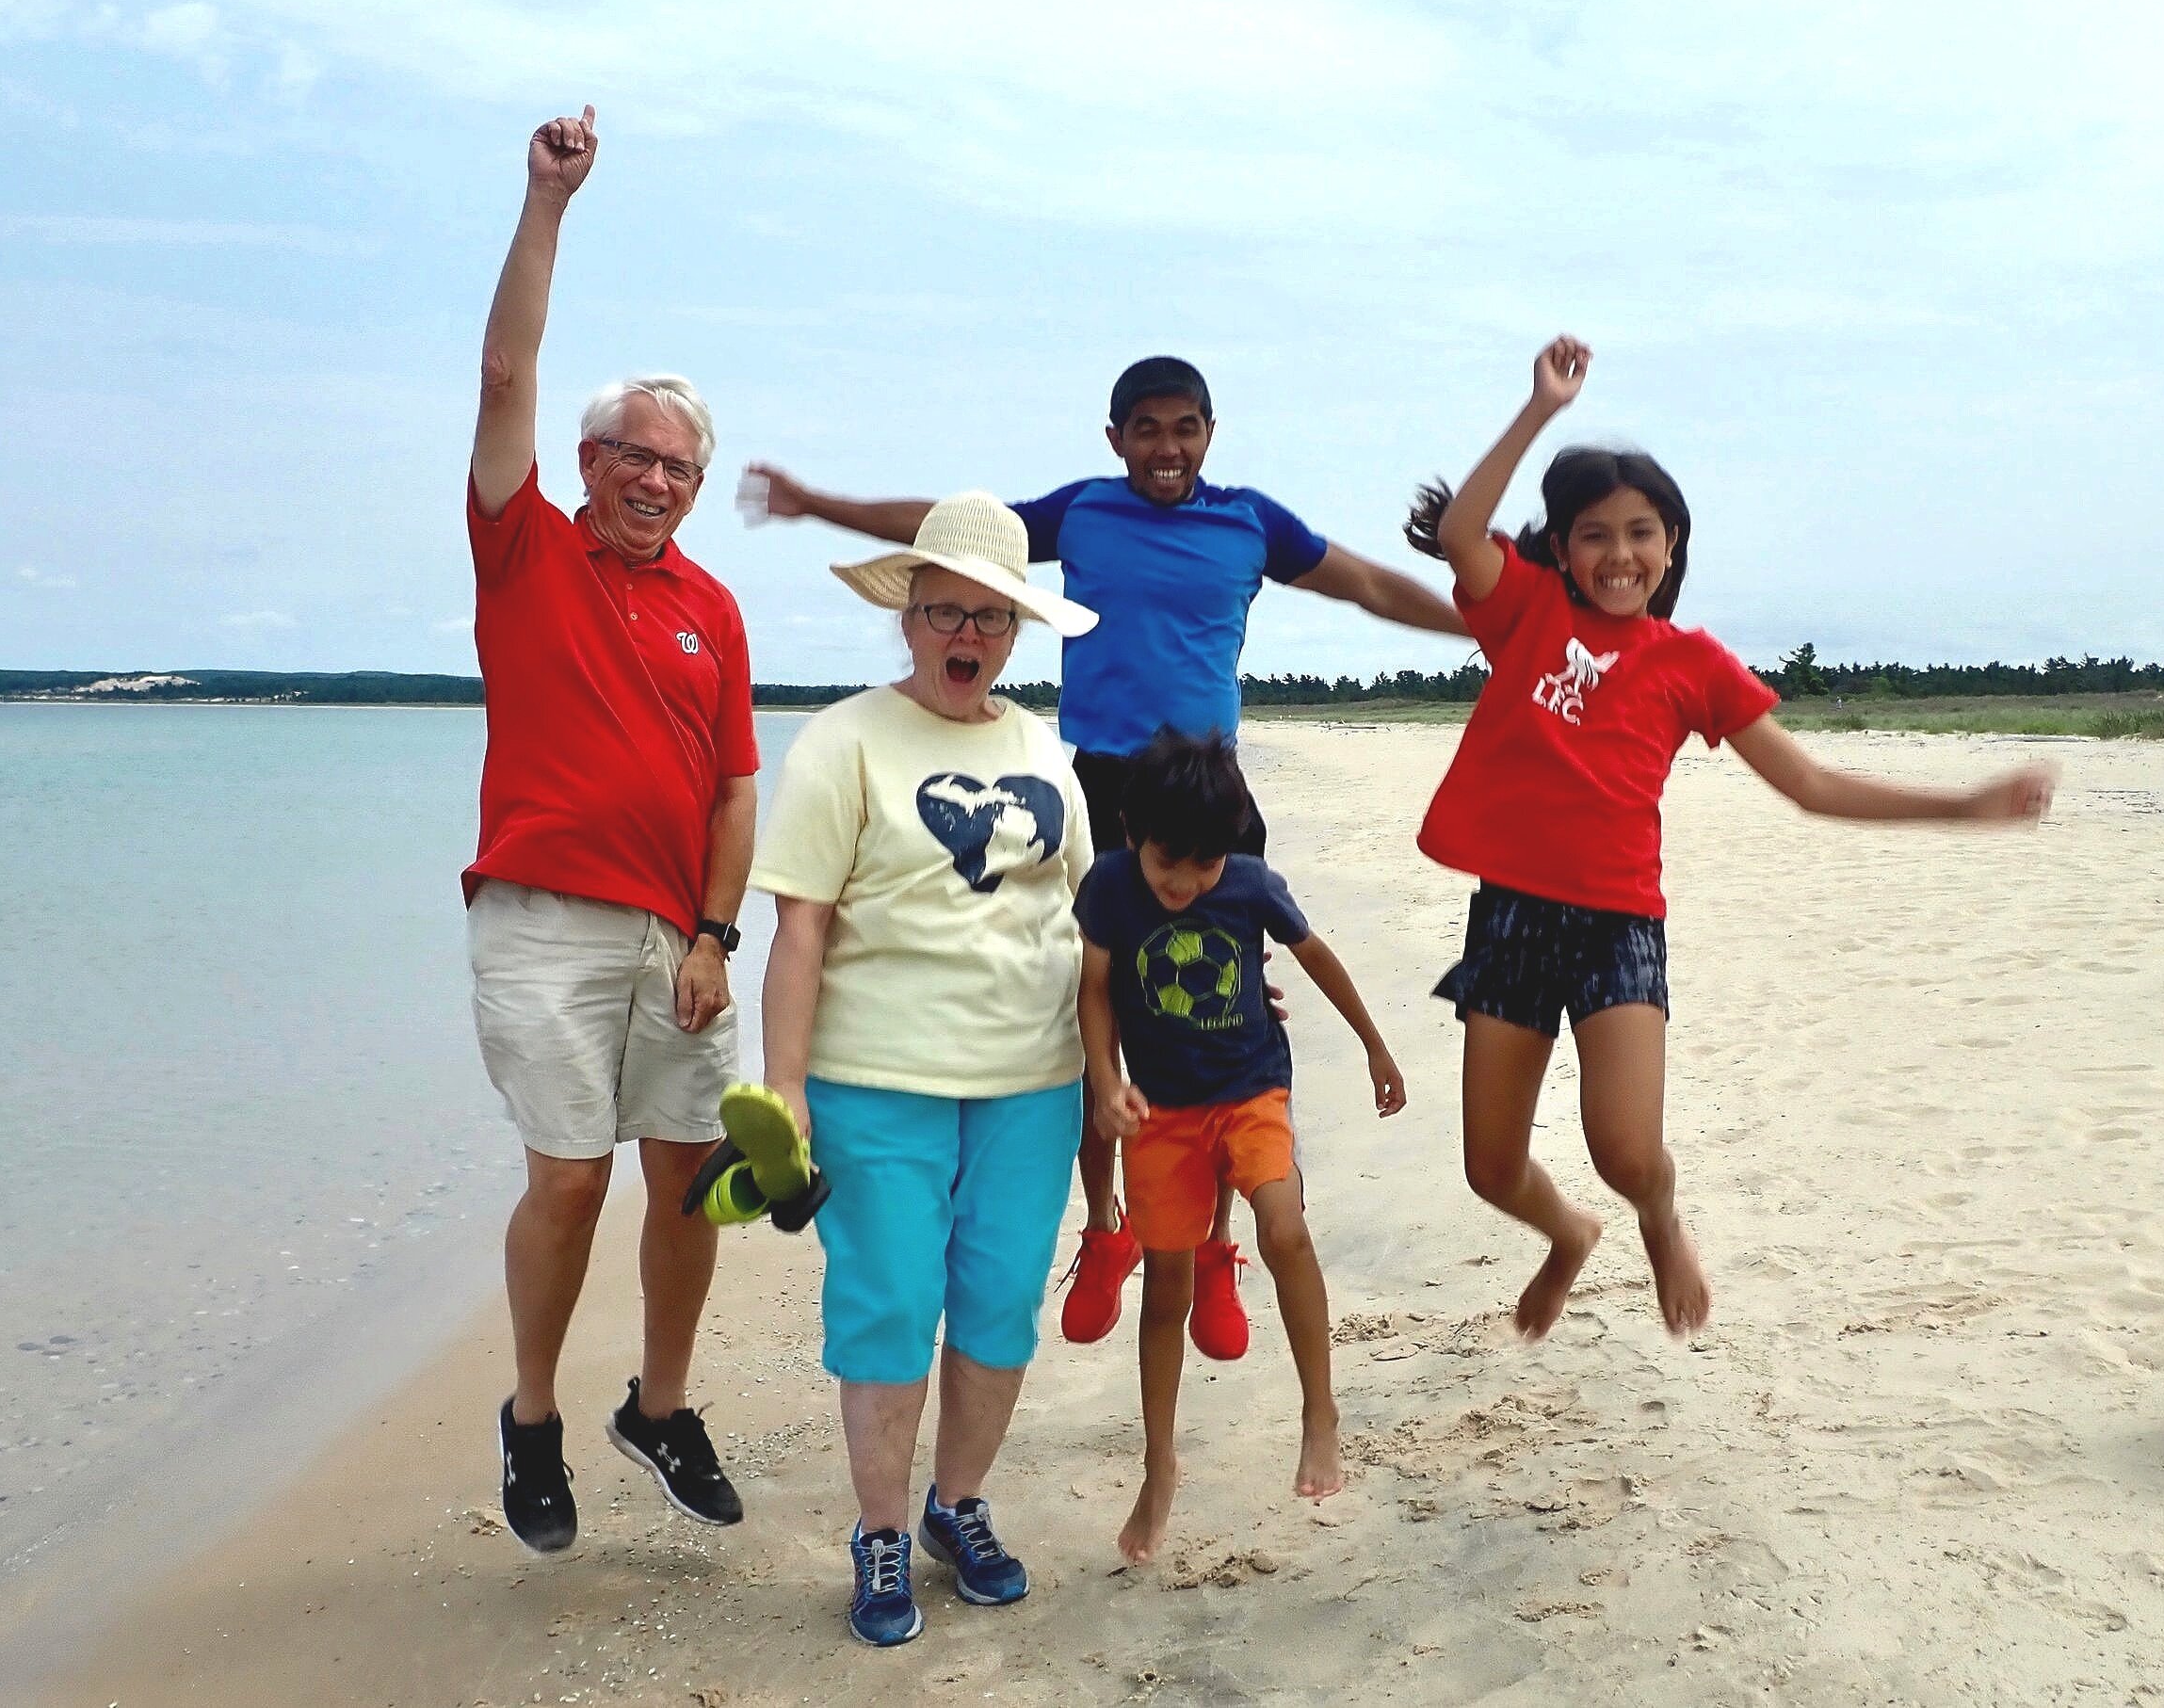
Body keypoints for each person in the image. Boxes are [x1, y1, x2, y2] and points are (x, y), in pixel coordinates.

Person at [741, 357, 1465, 1364]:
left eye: (1184, 428)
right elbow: (950, 530)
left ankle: (1216, 1252)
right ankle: (1103, 1226)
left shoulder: (1250, 522)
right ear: (1113, 435)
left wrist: (1485, 623)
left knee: (1213, 1017)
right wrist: (818, 502)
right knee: (1091, 1011)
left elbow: (1370, 583)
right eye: (1145, 429)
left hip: (1211, 801)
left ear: (1210, 431)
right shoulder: (1081, 514)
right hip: (1102, 789)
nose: (1165, 449)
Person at [1406, 336, 2057, 1341]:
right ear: (1562, 548)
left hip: (1619, 920)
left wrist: (1960, 804)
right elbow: (1459, 534)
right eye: (1592, 534)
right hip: (1512, 915)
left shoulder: (1692, 662)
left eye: (1640, 533)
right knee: (1489, 1168)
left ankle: (1656, 1221)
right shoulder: (1525, 613)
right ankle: (1567, 1236)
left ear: (1670, 546)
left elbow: (1807, 781)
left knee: (1626, 1150)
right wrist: (1539, 410)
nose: (1617, 554)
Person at [467, 106, 758, 1551]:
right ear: (586, 461)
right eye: (633, 458)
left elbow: (732, 790)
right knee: (571, 1178)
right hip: (539, 916)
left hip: (676, 937)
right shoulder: (523, 548)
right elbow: (506, 366)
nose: (655, 482)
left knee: (687, 1178)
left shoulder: (713, 606)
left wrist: (716, 933)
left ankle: (659, 1404)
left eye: (680, 469)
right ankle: (531, 1416)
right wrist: (546, 206)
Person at [748, 492, 1099, 1647]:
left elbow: (1096, 924)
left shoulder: (1043, 747)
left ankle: (960, 1507)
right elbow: (798, 931)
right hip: (875, 1082)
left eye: (991, 618)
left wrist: (1169, 1031)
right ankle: (884, 1528)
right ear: (907, 616)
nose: (968, 634)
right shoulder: (842, 741)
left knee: (998, 1309)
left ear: (1016, 632)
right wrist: (782, 1091)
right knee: (890, 1307)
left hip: (1033, 1084)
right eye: (944, 610)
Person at [1075, 729, 1406, 1566]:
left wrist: (1374, 1044)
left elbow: (1317, 956)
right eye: (1166, 863)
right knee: (1165, 1291)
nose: (1184, 883)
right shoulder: (1111, 887)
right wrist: (1106, 1080)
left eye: (1205, 864)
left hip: (1253, 1091)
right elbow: (1094, 989)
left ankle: (1319, 1413)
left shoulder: (1251, 884)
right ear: (1129, 833)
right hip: (1163, 1116)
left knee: (1283, 1225)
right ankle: (1159, 1466)